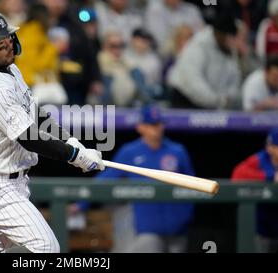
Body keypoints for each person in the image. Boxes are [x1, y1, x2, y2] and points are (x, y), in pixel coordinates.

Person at [0, 11, 104, 253]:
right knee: (46, 247)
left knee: (4, 250)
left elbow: (35, 114)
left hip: (11, 180)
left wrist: (71, 140)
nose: (8, 43)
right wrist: (75, 156)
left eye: (7, 37)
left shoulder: (10, 70)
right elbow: (29, 138)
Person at [76, 105, 195, 253]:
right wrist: (81, 204)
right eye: (152, 124)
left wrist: (186, 217)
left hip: (178, 229)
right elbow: (105, 180)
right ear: (141, 127)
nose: (158, 128)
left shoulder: (177, 151)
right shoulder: (130, 152)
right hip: (148, 229)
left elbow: (193, 187)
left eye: (160, 123)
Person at [167, 14, 241, 109]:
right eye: (229, 38)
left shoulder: (228, 48)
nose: (232, 42)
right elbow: (193, 80)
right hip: (185, 99)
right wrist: (216, 100)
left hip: (212, 102)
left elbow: (234, 79)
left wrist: (226, 97)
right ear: (219, 34)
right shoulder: (199, 44)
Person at [231, 126, 278, 253]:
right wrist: (271, 176)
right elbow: (237, 174)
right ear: (270, 147)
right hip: (262, 228)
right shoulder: (260, 160)